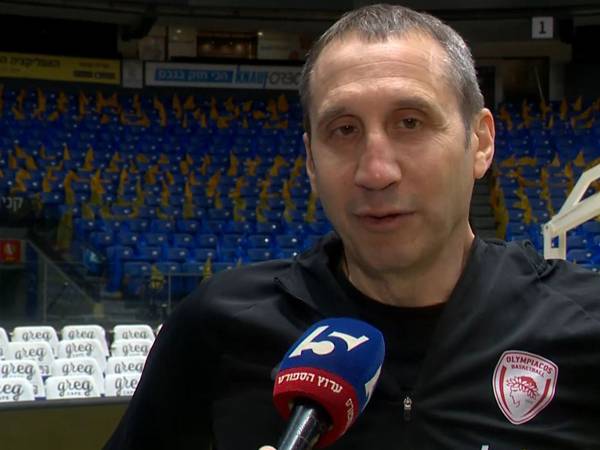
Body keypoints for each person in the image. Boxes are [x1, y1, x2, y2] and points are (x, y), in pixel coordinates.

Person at [104, 4, 600, 449]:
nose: (376, 172)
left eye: (410, 122)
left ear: (481, 142)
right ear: (311, 162)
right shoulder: (218, 326)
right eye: (344, 130)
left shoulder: (584, 324)